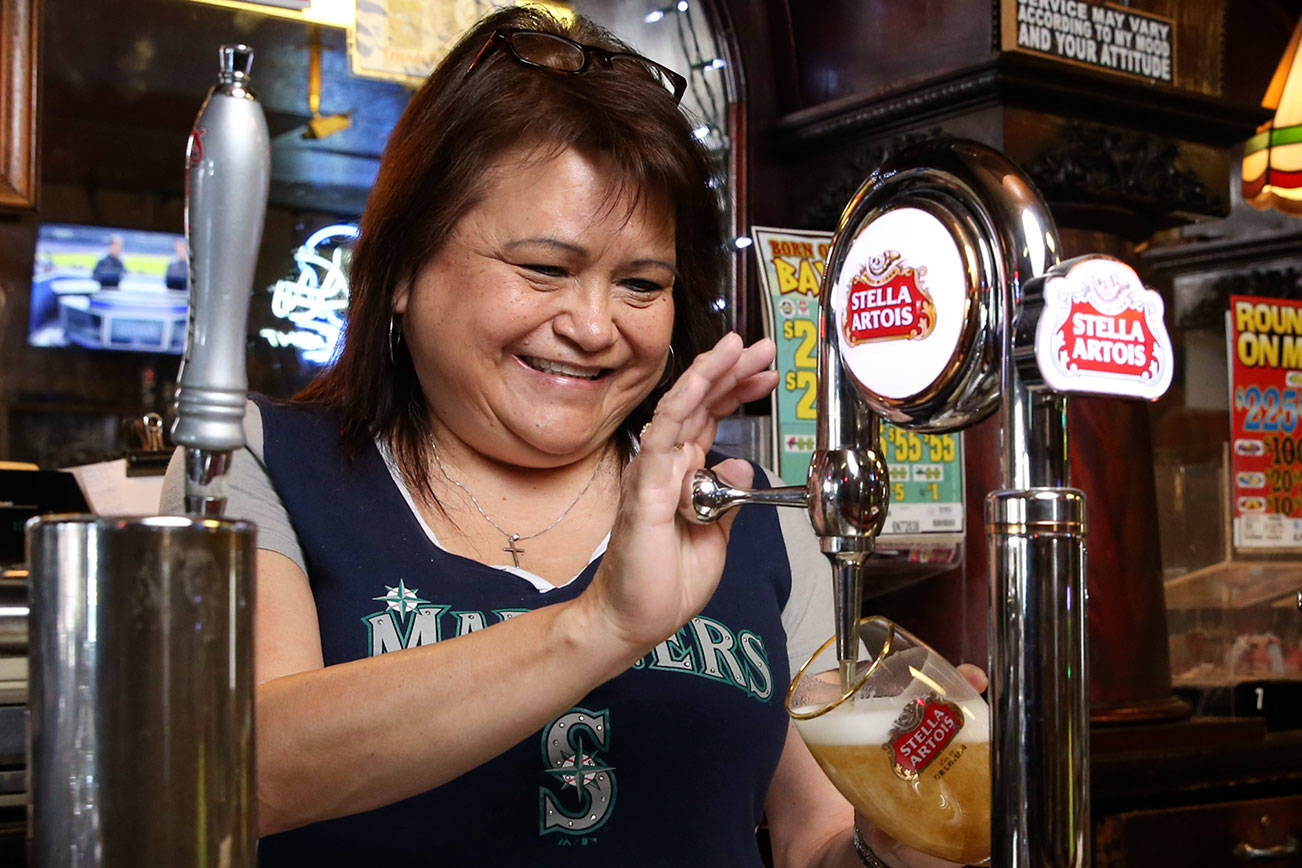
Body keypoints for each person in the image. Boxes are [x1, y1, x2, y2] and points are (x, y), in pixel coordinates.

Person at [163, 7, 983, 866]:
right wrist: (601, 624)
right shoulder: (255, 460)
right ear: (401, 268)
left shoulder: (753, 513)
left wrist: (892, 846)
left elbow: (814, 835)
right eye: (543, 270)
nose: (594, 327)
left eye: (640, 283)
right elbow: (239, 771)